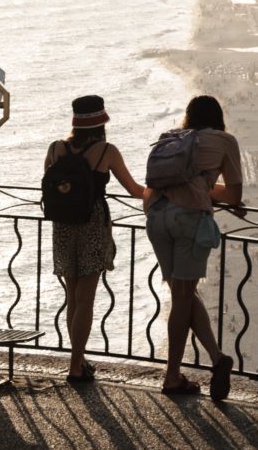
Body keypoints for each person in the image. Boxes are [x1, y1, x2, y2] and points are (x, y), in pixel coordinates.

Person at [144, 95, 243, 400]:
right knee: (183, 296)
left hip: (156, 216)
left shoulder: (171, 138)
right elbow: (235, 195)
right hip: (188, 219)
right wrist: (206, 191)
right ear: (218, 116)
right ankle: (172, 376)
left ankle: (216, 358)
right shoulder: (225, 141)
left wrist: (198, 188)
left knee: (183, 292)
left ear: (188, 117)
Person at [45, 95, 144, 383]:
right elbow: (134, 189)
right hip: (91, 225)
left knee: (72, 298)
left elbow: (51, 186)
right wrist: (163, 192)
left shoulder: (55, 148)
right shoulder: (106, 151)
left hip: (62, 226)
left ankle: (78, 359)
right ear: (101, 122)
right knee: (85, 300)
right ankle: (76, 366)